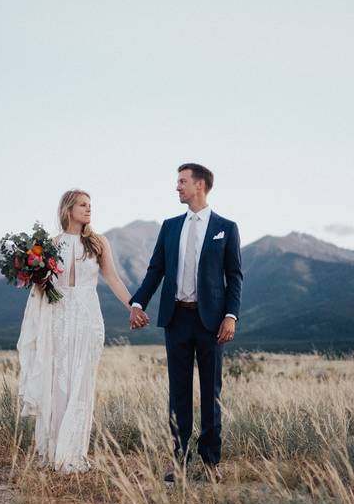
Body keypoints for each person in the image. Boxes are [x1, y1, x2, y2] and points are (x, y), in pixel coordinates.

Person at [16, 189, 149, 473]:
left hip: (88, 317)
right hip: (58, 317)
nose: (88, 209)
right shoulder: (49, 245)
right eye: (82, 205)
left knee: (81, 383)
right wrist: (38, 278)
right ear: (68, 209)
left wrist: (133, 306)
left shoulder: (98, 243)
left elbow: (112, 277)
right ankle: (53, 451)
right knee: (57, 381)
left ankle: (73, 451)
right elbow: (43, 286)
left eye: (90, 205)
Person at [129, 163, 243, 483]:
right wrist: (138, 302)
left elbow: (234, 277)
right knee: (178, 392)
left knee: (211, 392)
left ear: (200, 185)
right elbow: (155, 271)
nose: (177, 187)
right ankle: (179, 459)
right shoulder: (169, 227)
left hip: (211, 322)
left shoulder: (226, 228)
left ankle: (210, 462)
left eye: (182, 181)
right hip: (176, 318)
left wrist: (231, 316)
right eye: (177, 181)